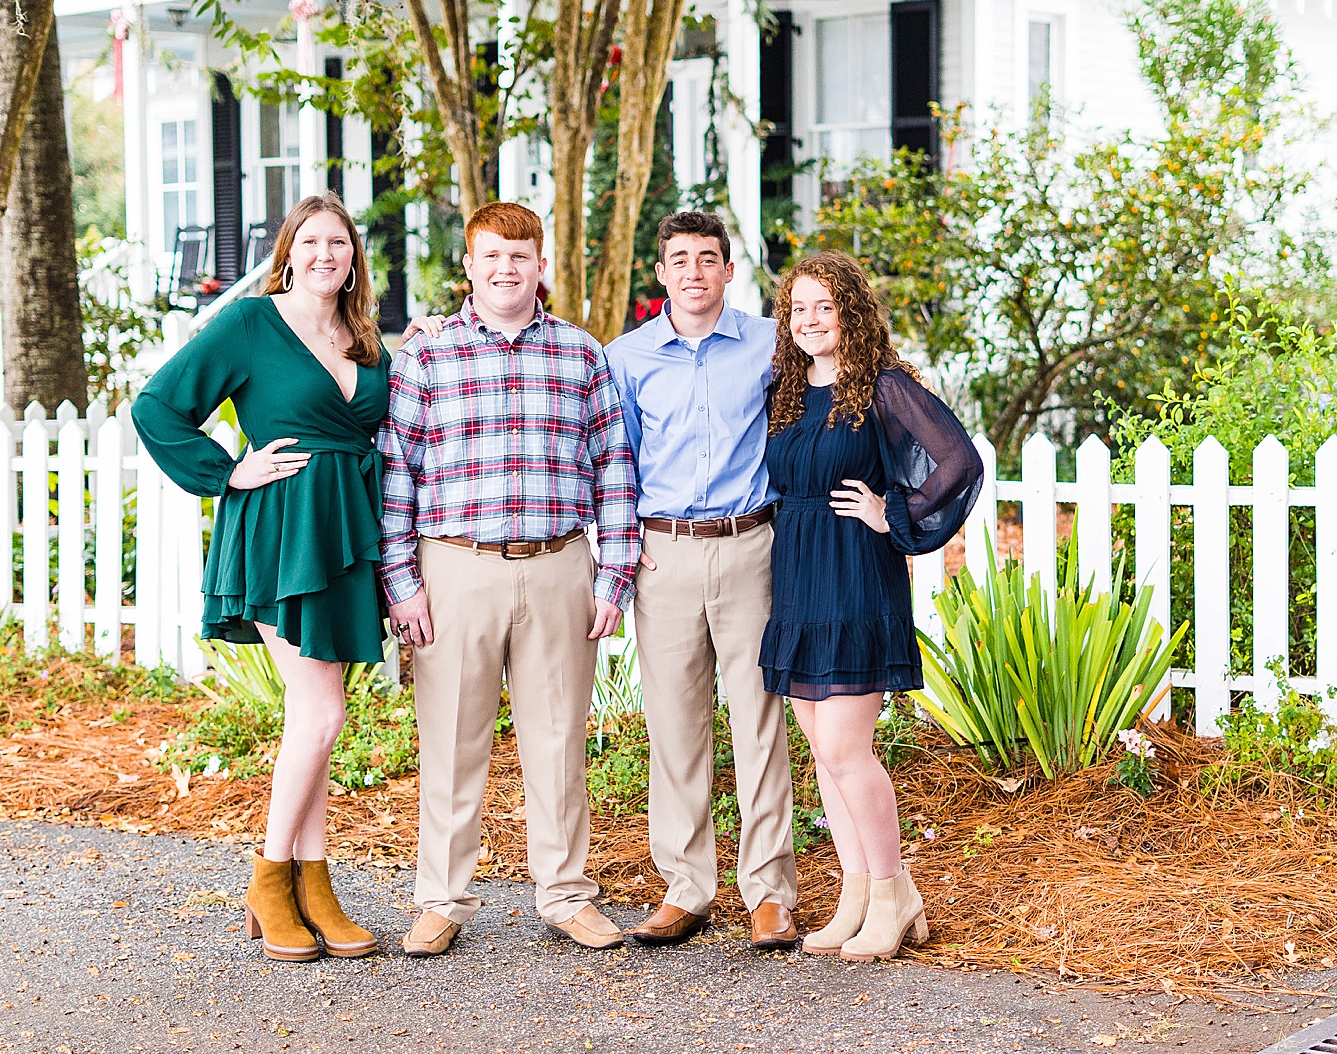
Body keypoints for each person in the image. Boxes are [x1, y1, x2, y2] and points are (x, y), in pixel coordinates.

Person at [377, 201, 641, 958]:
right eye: (491, 256)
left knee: (558, 740)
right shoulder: (428, 356)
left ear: (539, 265)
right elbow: (399, 472)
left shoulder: (581, 355)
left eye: (519, 257)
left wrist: (613, 574)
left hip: (559, 565)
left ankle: (564, 893)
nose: (505, 269)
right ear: (469, 265)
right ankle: (442, 898)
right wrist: (403, 582)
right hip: (455, 568)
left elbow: (613, 467)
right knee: (452, 741)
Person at [133, 192, 386, 963]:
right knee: (320, 714)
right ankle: (268, 879)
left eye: (337, 244)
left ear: (353, 257)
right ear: (287, 251)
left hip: (344, 535)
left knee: (312, 719)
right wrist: (226, 472)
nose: (323, 255)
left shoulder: (365, 336)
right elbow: (156, 406)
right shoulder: (250, 322)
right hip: (279, 535)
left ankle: (314, 884)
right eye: (309, 242)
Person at [760, 250, 982, 961]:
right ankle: (857, 891)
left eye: (824, 305)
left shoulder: (882, 386)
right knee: (823, 755)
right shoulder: (788, 394)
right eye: (799, 308)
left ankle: (893, 892)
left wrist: (897, 514)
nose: (810, 319)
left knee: (847, 749)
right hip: (797, 577)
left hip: (856, 572)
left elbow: (959, 461)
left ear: (850, 311)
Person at [603, 211, 800, 951]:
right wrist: (624, 548)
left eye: (707, 258)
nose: (693, 271)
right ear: (660, 272)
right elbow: (616, 461)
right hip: (665, 555)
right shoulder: (627, 357)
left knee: (758, 722)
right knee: (676, 731)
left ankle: (770, 892)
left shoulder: (767, 345)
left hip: (751, 546)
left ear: (727, 269)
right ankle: (687, 888)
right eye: (679, 259)